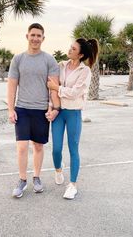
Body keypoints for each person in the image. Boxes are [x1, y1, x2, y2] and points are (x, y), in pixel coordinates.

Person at [7, 23, 60, 198]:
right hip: (22, 109)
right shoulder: (18, 59)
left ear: (43, 39)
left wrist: (53, 108)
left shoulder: (49, 60)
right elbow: (12, 86)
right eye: (33, 35)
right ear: (27, 36)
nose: (36, 38)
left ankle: (36, 177)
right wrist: (10, 109)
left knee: (38, 146)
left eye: (39, 36)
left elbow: (53, 88)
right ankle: (22, 180)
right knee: (22, 147)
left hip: (40, 111)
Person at [47, 37, 99, 199]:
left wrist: (57, 87)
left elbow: (76, 92)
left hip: (74, 113)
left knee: (73, 148)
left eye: (73, 49)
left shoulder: (85, 71)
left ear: (81, 55)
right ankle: (58, 170)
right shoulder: (60, 65)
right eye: (70, 47)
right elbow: (51, 90)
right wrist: (51, 106)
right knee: (56, 148)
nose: (69, 50)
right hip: (59, 113)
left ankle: (73, 185)